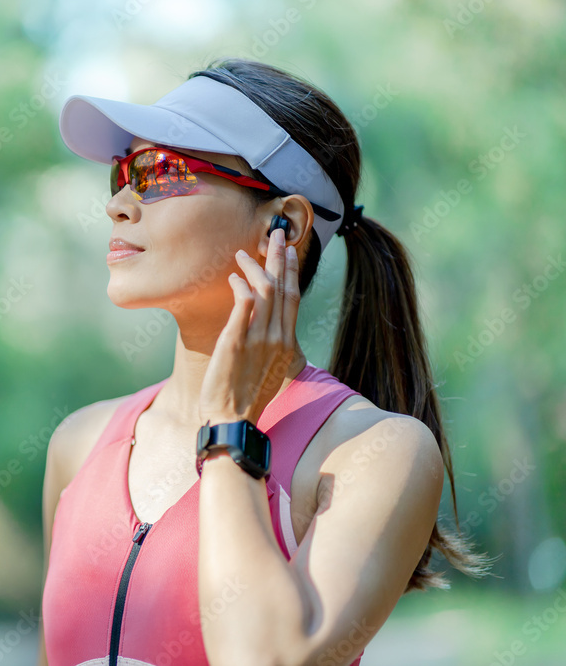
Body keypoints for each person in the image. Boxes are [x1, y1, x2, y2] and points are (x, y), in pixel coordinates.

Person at [36, 58, 492, 666]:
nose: (120, 202)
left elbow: (272, 659)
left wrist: (229, 433)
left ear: (286, 223)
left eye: (160, 171)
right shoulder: (79, 445)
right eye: (121, 173)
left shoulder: (377, 452)